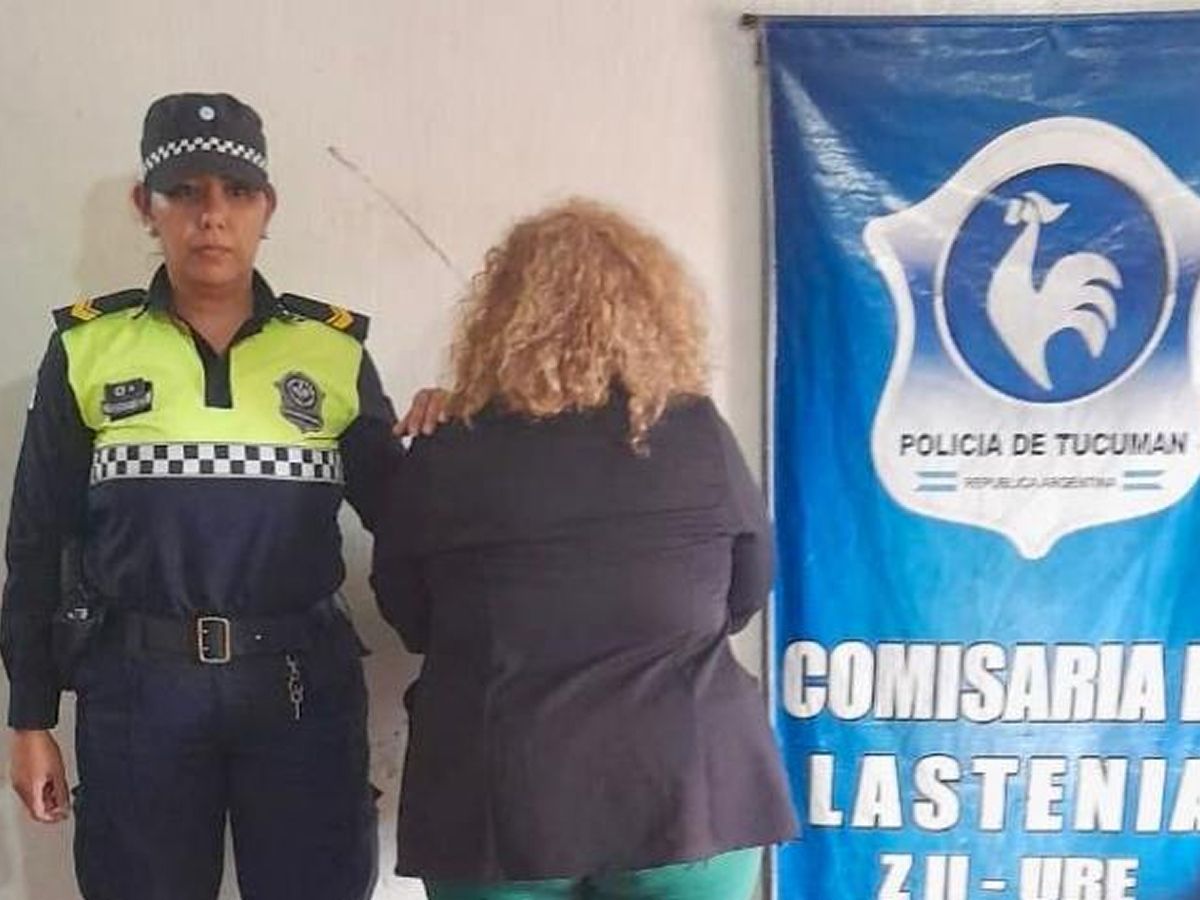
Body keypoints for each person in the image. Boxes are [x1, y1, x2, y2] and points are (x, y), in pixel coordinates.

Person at [1, 92, 402, 900]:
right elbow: (35, 542)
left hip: (299, 688)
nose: (211, 215)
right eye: (184, 191)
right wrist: (30, 716)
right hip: (138, 690)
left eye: (237, 192)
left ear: (267, 208)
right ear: (145, 206)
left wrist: (465, 427)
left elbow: (408, 524)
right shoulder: (88, 348)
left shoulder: (329, 352)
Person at [371, 199, 798, 900]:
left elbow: (410, 616)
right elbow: (745, 593)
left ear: (498, 319)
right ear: (651, 312)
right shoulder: (697, 435)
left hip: (502, 798)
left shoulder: (449, 447)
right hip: (687, 790)